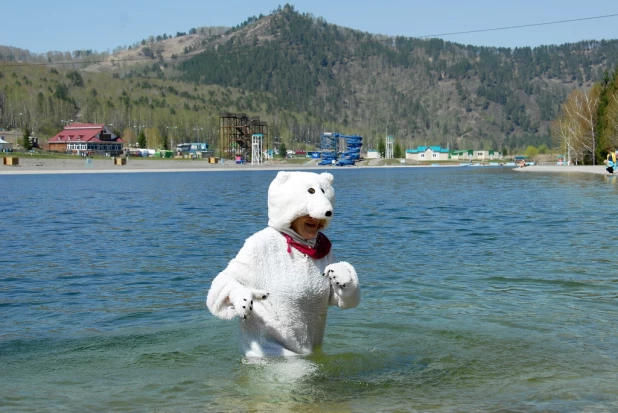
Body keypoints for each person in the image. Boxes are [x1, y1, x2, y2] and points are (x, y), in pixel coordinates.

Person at [206, 171, 361, 357]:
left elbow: (345, 302)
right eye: (306, 213)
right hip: (267, 355)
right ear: (289, 210)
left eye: (321, 216)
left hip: (308, 353)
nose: (316, 219)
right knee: (307, 382)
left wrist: (347, 284)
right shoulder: (262, 244)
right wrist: (236, 293)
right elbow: (222, 283)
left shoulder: (322, 248)